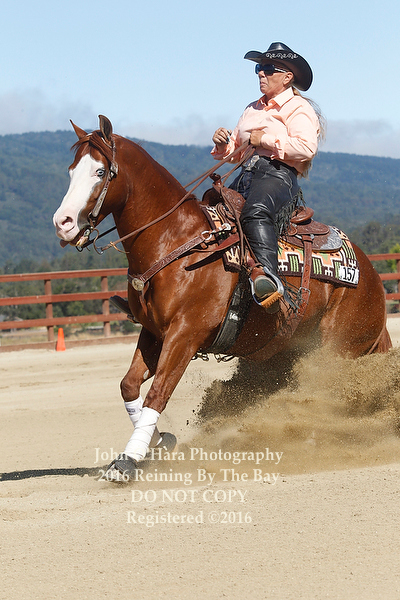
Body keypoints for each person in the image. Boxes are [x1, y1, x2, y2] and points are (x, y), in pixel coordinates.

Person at [212, 42, 323, 308]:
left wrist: (265, 139)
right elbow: (235, 152)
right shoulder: (252, 108)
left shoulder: (298, 108)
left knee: (256, 212)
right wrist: (223, 144)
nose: (261, 73)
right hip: (246, 173)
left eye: (268, 68)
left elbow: (306, 148)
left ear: (287, 77)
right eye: (259, 69)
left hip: (278, 176)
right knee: (209, 213)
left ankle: (269, 281)